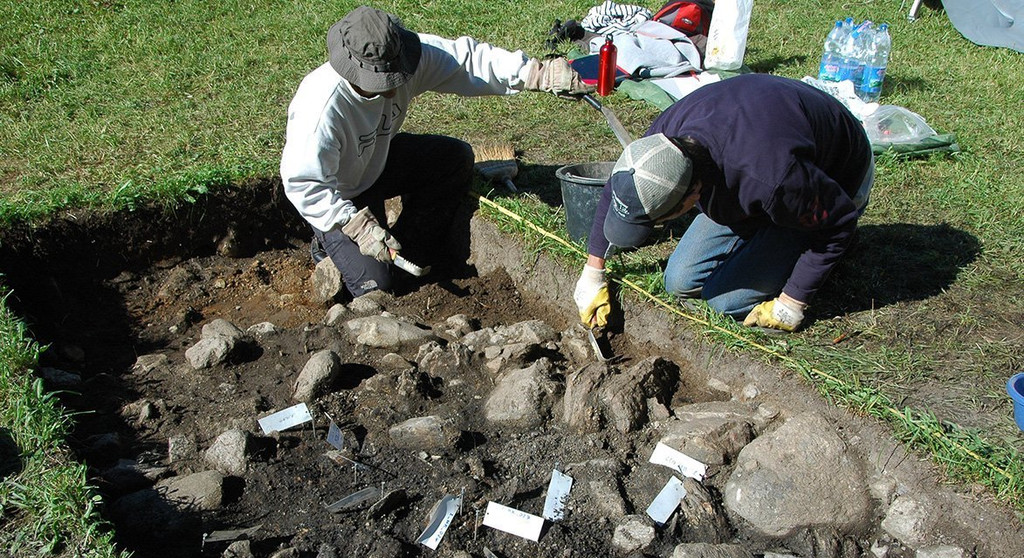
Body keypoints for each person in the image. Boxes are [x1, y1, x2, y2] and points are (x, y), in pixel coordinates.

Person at [281, 5, 591, 298]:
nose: (393, 87)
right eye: (381, 82)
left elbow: (466, 61)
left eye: (395, 76)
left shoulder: (405, 57)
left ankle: (409, 249)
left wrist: (536, 74)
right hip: (337, 194)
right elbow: (304, 184)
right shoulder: (320, 110)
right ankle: (327, 244)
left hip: (376, 159)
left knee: (454, 159)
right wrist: (357, 226)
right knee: (378, 287)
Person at [573, 73, 875, 332]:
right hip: (765, 152)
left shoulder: (772, 178)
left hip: (836, 180)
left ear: (691, 198)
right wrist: (593, 271)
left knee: (725, 302)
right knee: (678, 282)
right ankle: (767, 228)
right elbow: (623, 183)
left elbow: (840, 221)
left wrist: (791, 303)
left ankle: (800, 241)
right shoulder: (661, 146)